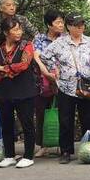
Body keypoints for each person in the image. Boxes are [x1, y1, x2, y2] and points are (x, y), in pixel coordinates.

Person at [40, 13, 90, 163]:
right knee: (65, 121)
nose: (80, 28)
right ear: (69, 27)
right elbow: (44, 57)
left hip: (86, 88)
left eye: (82, 25)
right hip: (66, 87)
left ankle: (89, 148)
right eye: (77, 25)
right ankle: (66, 151)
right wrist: (54, 68)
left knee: (88, 119)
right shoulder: (60, 43)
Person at [0, 17, 39, 168]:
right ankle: (9, 155)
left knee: (27, 123)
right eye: (15, 29)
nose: (19, 32)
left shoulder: (26, 45)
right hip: (2, 91)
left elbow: (23, 64)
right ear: (5, 32)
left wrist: (2, 69)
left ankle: (28, 156)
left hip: (24, 90)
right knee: (6, 124)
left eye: (20, 29)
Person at [32, 10, 66, 157]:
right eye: (58, 22)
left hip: (62, 80)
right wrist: (46, 73)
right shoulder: (39, 38)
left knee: (63, 112)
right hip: (42, 81)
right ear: (49, 24)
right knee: (41, 112)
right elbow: (36, 57)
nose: (61, 25)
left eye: (62, 22)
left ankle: (63, 145)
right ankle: (43, 145)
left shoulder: (65, 38)